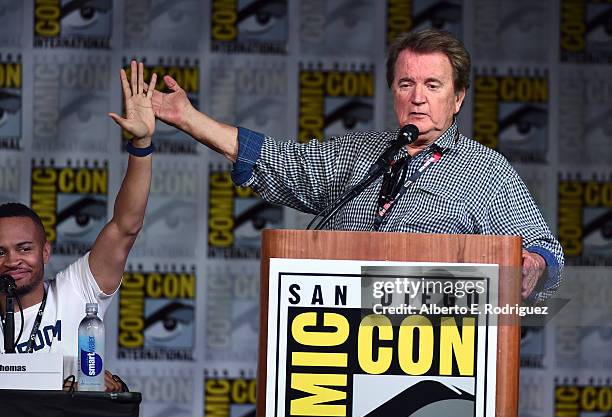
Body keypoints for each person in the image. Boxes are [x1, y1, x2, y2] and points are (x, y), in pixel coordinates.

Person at [145, 29, 563, 301]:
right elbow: (280, 163)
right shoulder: (358, 153)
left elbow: (547, 253)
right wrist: (189, 119)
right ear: (394, 94)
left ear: (457, 99)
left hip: (434, 357)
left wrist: (536, 263)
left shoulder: (486, 172)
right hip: (336, 356)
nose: (418, 97)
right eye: (406, 84)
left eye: (432, 86)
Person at [0, 61, 157, 391]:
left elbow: (125, 226)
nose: (12, 260)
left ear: (45, 252)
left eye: (24, 248)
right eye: (0, 251)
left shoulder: (75, 291)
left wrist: (141, 146)